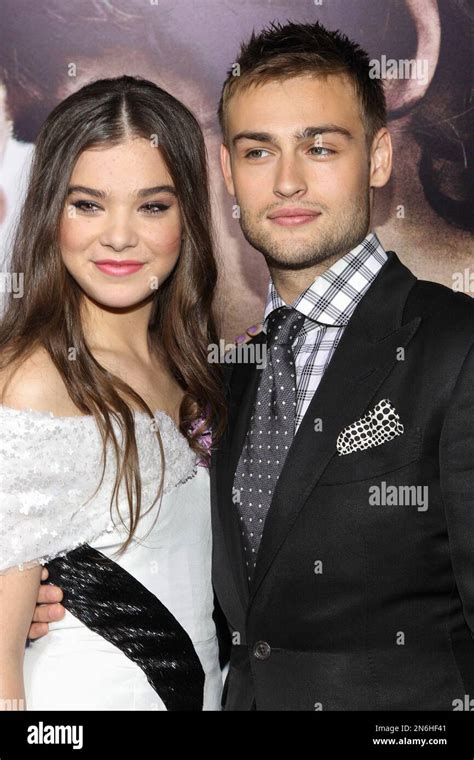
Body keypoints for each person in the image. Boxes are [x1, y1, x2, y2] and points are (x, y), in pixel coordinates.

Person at [31, 21, 474, 711]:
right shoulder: (226, 375)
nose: (288, 181)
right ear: (227, 171)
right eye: (258, 151)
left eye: (320, 147)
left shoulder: (457, 348)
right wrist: (53, 592)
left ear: (379, 157)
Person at [0, 75, 226, 710]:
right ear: (51, 212)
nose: (119, 236)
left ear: (189, 216)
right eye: (88, 204)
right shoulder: (33, 380)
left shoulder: (191, 370)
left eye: (152, 205)